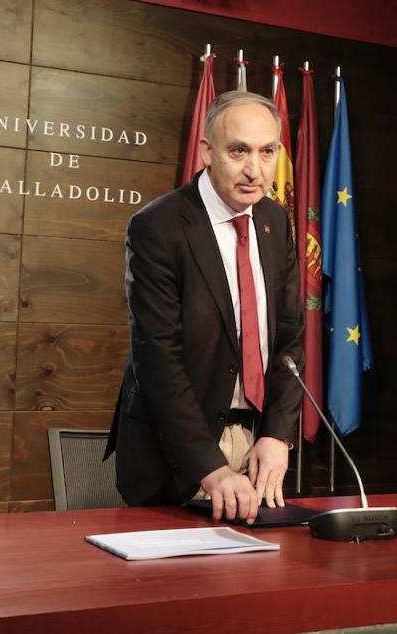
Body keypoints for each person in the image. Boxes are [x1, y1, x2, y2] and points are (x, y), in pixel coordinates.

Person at [104, 90, 303, 524]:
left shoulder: (275, 221)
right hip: (174, 452)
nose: (255, 169)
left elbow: (289, 340)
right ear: (206, 151)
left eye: (267, 151)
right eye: (238, 151)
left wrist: (277, 435)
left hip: (254, 447)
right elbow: (157, 356)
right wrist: (207, 466)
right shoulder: (159, 226)